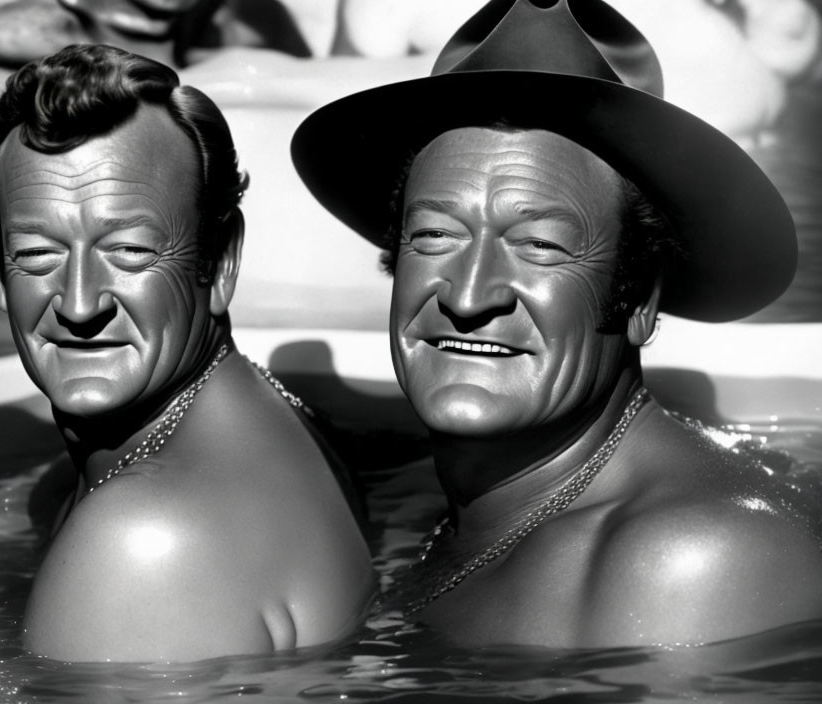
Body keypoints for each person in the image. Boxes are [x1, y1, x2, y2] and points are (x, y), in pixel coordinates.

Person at [292, 0, 822, 648]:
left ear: (640, 297)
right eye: (433, 235)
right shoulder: (472, 508)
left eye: (539, 246)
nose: (468, 292)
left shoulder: (696, 561)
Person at [0, 43, 374, 662]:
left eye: (131, 251)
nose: (80, 305)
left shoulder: (139, 541)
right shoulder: (269, 414)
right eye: (36, 253)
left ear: (218, 263)